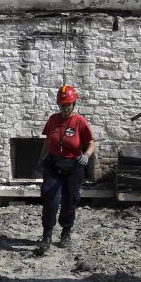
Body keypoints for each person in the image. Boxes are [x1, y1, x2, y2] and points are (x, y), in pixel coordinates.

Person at [36, 84, 95, 255]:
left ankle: (66, 232)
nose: (65, 108)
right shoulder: (53, 119)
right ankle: (47, 235)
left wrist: (86, 155)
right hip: (53, 164)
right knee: (50, 199)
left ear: (74, 104)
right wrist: (41, 158)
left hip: (74, 166)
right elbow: (48, 141)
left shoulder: (80, 122)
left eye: (68, 105)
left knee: (70, 200)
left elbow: (91, 142)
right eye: (62, 105)